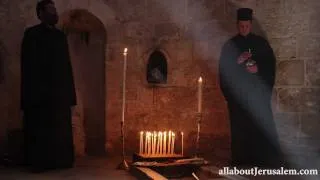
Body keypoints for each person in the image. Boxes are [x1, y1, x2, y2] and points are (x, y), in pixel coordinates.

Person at [218, 8, 282, 167]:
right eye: (241, 26)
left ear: (250, 25)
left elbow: (270, 66)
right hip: (239, 98)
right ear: (237, 25)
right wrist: (238, 61)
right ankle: (241, 162)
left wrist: (257, 69)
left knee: (260, 127)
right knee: (240, 129)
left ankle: (264, 161)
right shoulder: (230, 46)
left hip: (257, 96)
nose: (244, 29)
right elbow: (224, 70)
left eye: (246, 26)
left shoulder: (261, 44)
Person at [20, 0, 76, 172]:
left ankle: (60, 161)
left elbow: (66, 66)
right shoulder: (32, 35)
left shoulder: (60, 37)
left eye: (55, 10)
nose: (54, 13)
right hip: (39, 94)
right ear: (40, 14)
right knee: (40, 129)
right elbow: (28, 66)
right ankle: (39, 163)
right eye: (50, 10)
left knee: (59, 129)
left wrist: (70, 95)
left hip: (59, 94)